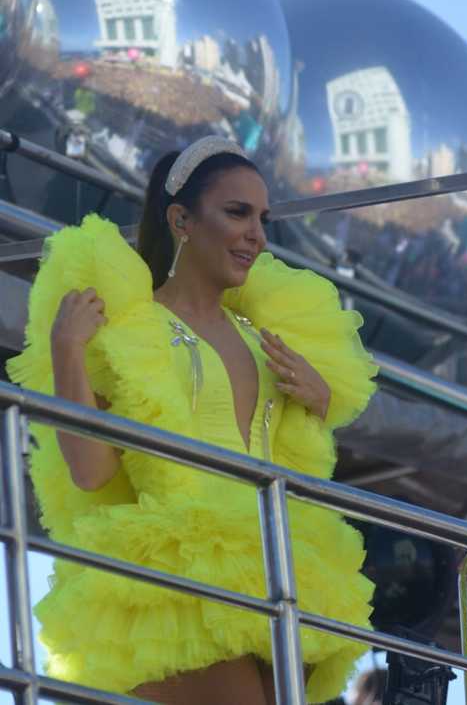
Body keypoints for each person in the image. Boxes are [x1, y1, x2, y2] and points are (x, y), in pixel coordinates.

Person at [7, 136, 378, 704]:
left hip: (279, 564)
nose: (256, 234)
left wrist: (320, 397)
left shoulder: (268, 339)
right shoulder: (133, 329)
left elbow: (298, 458)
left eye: (263, 218)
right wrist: (67, 351)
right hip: (180, 575)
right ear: (181, 219)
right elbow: (89, 471)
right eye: (237, 212)